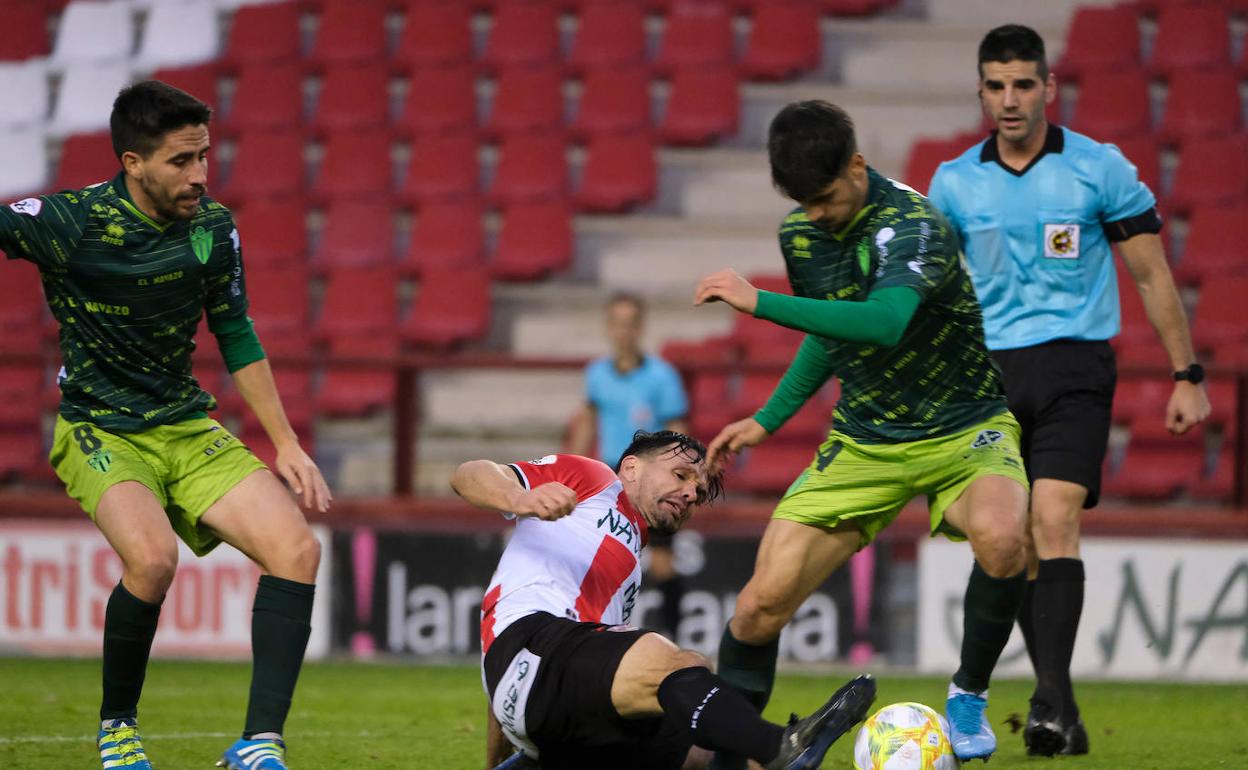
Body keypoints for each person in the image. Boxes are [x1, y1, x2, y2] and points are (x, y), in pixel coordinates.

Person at [0, 81, 330, 770]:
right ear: (133, 162)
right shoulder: (69, 221)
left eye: (204, 156)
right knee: (152, 562)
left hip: (185, 425)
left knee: (297, 551)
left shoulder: (213, 228)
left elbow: (235, 333)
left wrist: (287, 442)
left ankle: (258, 743)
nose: (199, 176)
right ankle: (117, 726)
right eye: (182, 161)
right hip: (101, 429)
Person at [694, 100, 1031, 766]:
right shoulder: (801, 235)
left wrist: (757, 300)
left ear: (856, 164)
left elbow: (882, 322)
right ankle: (731, 752)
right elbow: (832, 327)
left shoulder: (917, 227)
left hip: (963, 429)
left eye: (823, 198)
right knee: (761, 605)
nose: (815, 214)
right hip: (866, 440)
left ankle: (967, 694)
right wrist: (767, 419)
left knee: (1001, 537)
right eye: (802, 202)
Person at [926, 25, 1211, 757]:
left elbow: (1151, 274)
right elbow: (928, 294)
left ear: (1049, 88)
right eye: (996, 85)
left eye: (1024, 84)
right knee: (1011, 540)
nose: (1010, 99)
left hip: (1075, 367)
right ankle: (1062, 705)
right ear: (982, 91)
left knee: (1054, 517)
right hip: (988, 376)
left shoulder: (1099, 169)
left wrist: (1186, 375)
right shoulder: (954, 183)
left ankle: (1047, 700)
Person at [452, 430, 877, 770]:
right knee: (682, 666)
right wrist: (519, 498)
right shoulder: (594, 479)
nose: (692, 494)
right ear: (632, 467)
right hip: (528, 652)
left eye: (699, 490)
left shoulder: (629, 563)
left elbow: (525, 679)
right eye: (681, 476)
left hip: (537, 698)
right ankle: (783, 746)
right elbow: (469, 473)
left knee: (700, 750)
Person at [567, 292, 691, 637]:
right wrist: (574, 471)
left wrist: (677, 479)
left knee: (663, 563)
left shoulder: (661, 376)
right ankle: (598, 635)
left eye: (631, 324)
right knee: (604, 559)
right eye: (618, 324)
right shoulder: (597, 375)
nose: (624, 331)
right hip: (611, 480)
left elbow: (677, 431)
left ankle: (673, 639)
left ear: (641, 327)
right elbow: (588, 421)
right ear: (609, 328)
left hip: (652, 483)